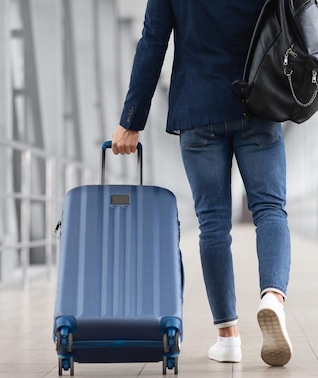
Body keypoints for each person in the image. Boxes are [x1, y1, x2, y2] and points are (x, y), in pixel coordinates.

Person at [110, 0, 292, 366]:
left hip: (198, 109)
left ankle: (228, 337)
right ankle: (272, 296)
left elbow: (153, 41)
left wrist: (132, 119)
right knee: (270, 210)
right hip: (257, 102)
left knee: (212, 224)